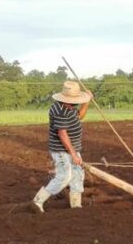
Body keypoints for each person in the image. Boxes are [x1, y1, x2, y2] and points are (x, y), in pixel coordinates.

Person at [30, 81, 92, 213]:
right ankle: (37, 201)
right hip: (61, 149)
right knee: (65, 176)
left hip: (72, 148)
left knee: (78, 175)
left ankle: (76, 206)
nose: (75, 102)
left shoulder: (70, 106)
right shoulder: (59, 110)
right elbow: (62, 134)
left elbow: (79, 116)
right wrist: (73, 154)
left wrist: (87, 102)